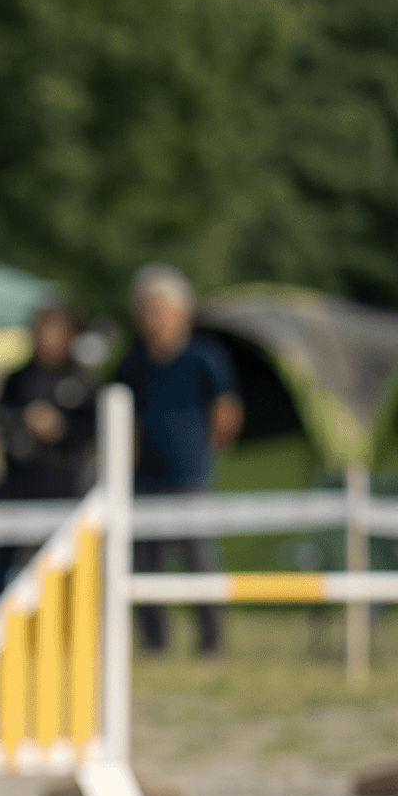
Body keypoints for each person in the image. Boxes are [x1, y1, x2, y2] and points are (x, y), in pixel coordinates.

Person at [114, 265, 241, 656]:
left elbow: (227, 410)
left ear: (181, 312)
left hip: (190, 476)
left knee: (199, 562)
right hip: (144, 479)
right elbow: (127, 418)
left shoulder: (205, 357)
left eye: (159, 309)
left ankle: (211, 641)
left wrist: (206, 454)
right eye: (145, 310)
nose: (151, 319)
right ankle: (154, 643)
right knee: (145, 566)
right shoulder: (132, 362)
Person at [0, 301, 99, 603]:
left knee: (66, 557)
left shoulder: (82, 381)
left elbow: (94, 428)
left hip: (65, 486)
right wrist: (25, 421)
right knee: (6, 556)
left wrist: (60, 429)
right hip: (19, 483)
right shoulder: (17, 379)